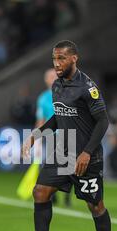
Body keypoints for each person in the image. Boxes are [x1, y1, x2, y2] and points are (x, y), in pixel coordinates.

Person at [22, 40, 113, 231]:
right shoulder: (57, 86)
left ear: (74, 58)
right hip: (61, 153)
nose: (57, 63)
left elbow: (103, 121)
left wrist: (87, 153)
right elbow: (58, 117)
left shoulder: (87, 87)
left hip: (86, 157)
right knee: (40, 192)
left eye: (61, 58)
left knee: (95, 205)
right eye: (54, 59)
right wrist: (36, 134)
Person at [36, 68, 72, 206]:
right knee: (51, 166)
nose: (52, 79)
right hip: (51, 136)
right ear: (46, 80)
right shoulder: (43, 98)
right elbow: (40, 120)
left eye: (54, 76)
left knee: (68, 166)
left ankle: (67, 198)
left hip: (67, 133)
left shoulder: (67, 94)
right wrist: (37, 140)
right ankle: (54, 196)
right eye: (50, 76)